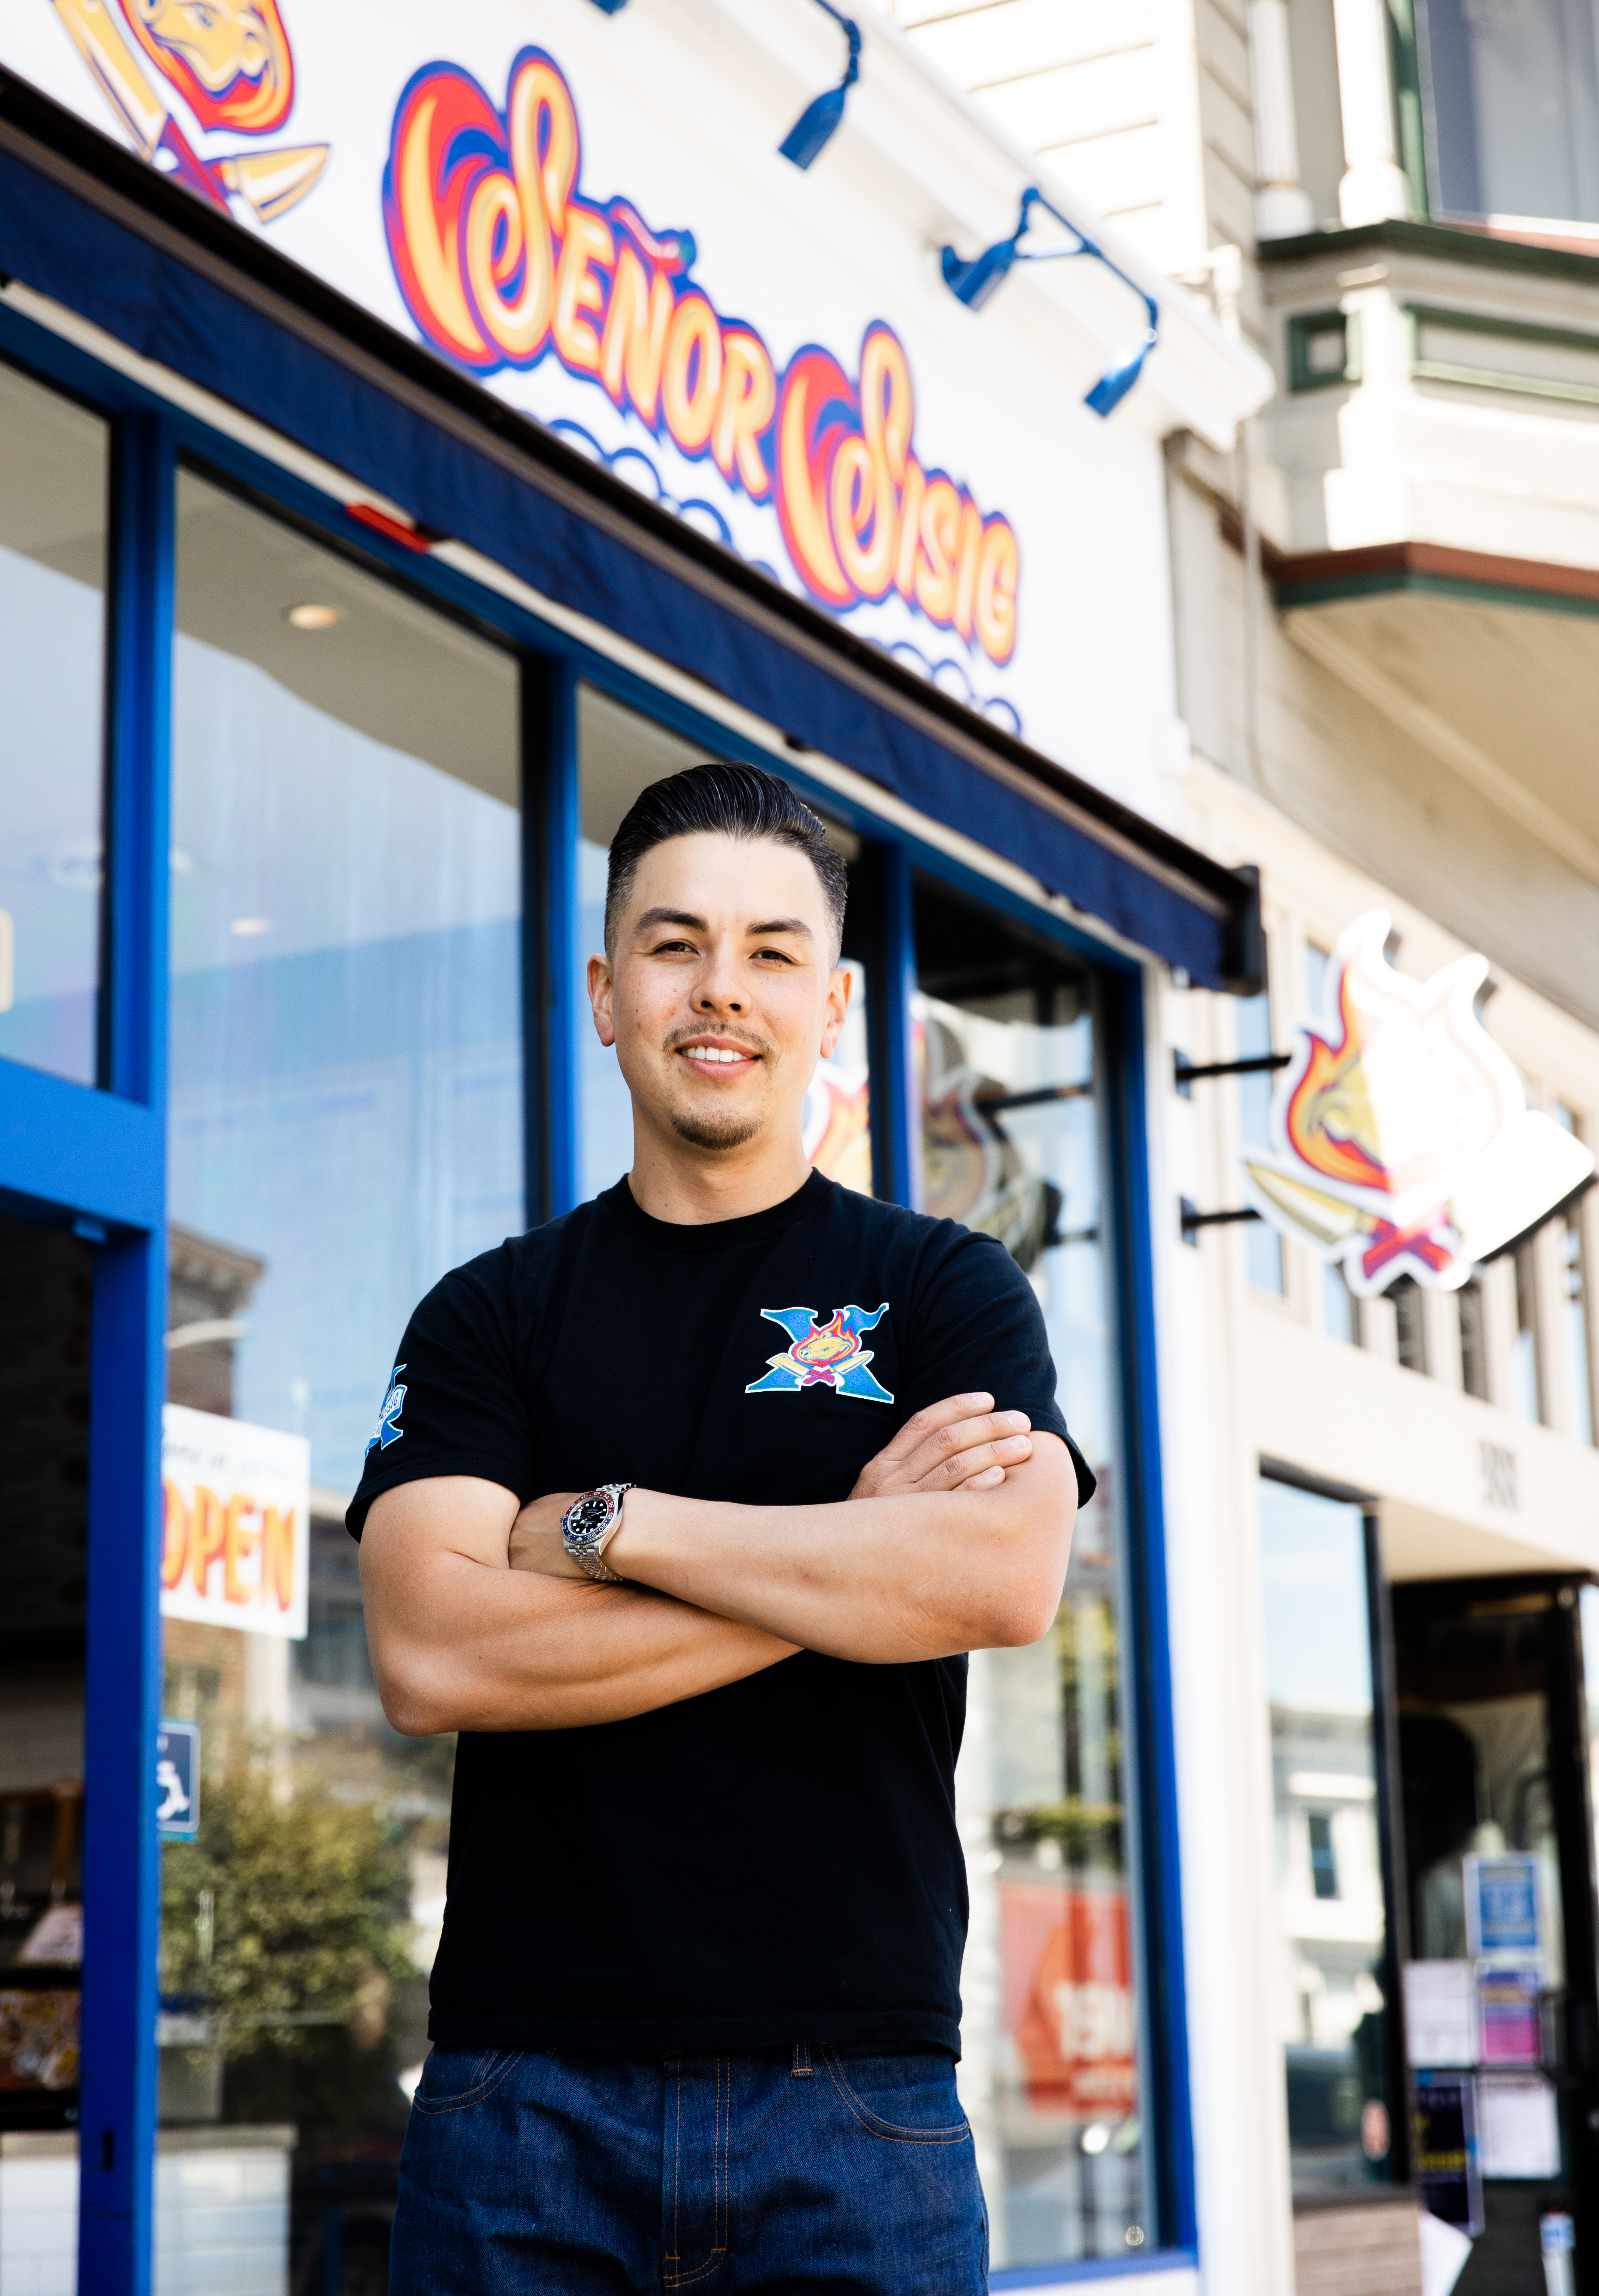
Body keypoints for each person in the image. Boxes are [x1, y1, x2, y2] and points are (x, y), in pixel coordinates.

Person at [351, 762, 1092, 2295]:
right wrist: (849, 1558)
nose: (721, 991)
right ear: (607, 991)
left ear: (834, 1003)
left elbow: (1004, 1576)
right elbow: (431, 1654)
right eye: (676, 945)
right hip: (523, 2098)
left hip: (856, 2107)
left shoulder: (948, 1291)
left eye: (770, 953)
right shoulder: (495, 1313)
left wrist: (606, 1529)